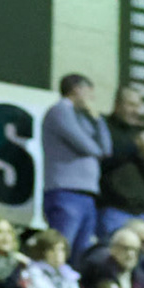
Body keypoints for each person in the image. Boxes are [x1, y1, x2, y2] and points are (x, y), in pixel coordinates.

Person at [40, 73, 111, 260]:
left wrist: (98, 120)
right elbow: (87, 146)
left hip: (87, 196)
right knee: (60, 249)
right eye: (89, 92)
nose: (92, 99)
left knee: (80, 255)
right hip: (66, 193)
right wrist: (97, 146)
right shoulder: (59, 111)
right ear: (77, 89)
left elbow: (106, 149)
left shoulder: (85, 118)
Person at [97, 85, 144, 237]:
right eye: (131, 105)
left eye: (138, 106)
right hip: (115, 210)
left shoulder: (136, 133)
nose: (136, 110)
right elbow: (104, 158)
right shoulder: (104, 128)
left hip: (143, 213)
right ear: (117, 105)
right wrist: (135, 145)